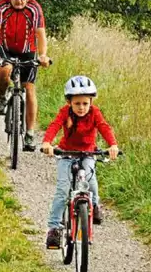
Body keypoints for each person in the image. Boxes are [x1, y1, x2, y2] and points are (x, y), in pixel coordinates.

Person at [40, 75, 120, 249]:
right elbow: (54, 125)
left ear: (91, 102)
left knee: (91, 181)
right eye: (77, 104)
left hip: (88, 153)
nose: (81, 107)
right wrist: (47, 143)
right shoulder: (64, 112)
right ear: (70, 102)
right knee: (62, 189)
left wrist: (112, 145)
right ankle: (54, 228)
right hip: (66, 153)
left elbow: (104, 127)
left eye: (85, 103)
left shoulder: (95, 113)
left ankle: (95, 205)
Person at [0, 0, 51, 150]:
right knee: (3, 71)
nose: (19, 1)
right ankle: (1, 96)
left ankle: (29, 134)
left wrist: (43, 55)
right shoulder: (0, 7)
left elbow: (40, 34)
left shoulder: (34, 9)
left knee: (29, 89)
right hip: (5, 48)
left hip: (27, 50)